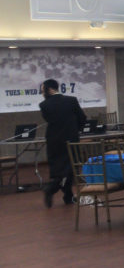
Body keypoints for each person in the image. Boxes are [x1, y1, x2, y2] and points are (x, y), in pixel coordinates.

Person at [39, 78, 87, 207]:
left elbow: (49, 120)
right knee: (70, 168)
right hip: (71, 139)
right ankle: (52, 189)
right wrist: (75, 130)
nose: (42, 93)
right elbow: (82, 118)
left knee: (58, 169)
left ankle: (68, 196)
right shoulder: (71, 100)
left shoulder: (44, 105)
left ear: (49, 89)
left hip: (53, 141)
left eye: (43, 90)